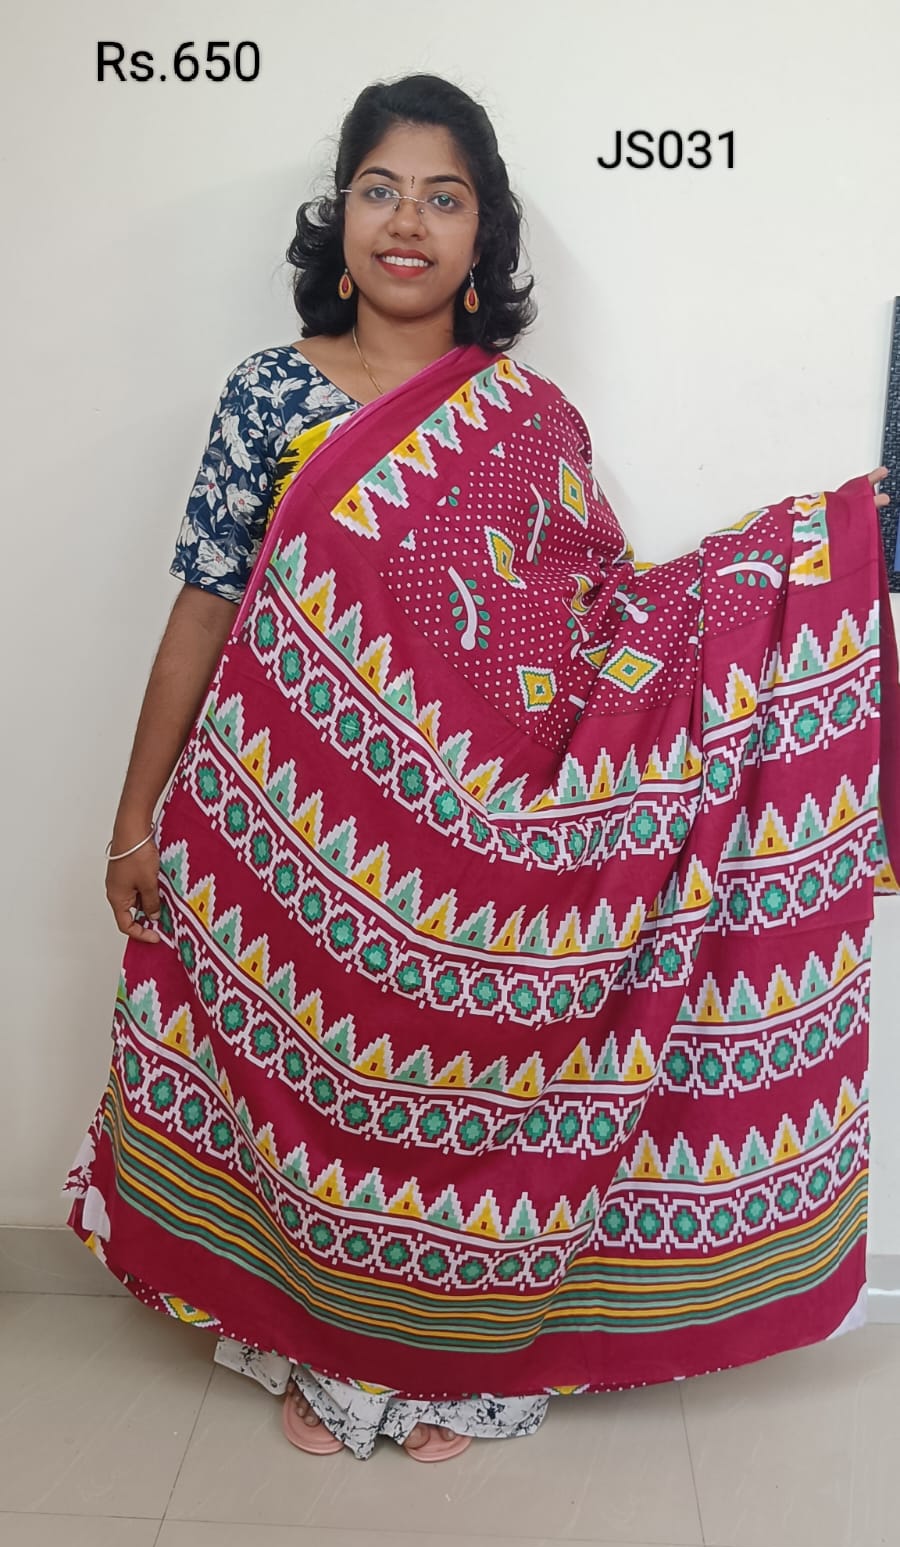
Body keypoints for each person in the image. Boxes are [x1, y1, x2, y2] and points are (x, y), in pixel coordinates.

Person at [65, 72, 895, 1465]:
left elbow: (605, 633)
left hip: (489, 863)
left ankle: (448, 1373)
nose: (409, 221)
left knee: (461, 1118)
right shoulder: (270, 395)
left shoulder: (533, 418)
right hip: (296, 846)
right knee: (320, 1096)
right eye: (381, 189)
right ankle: (329, 1358)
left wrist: (790, 577)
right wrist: (131, 819)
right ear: (340, 220)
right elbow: (205, 608)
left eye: (443, 198)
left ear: (482, 235)